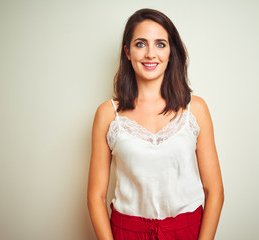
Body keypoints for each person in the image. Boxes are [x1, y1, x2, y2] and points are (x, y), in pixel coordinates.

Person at [87, 8, 224, 240]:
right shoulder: (108, 114)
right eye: (141, 44)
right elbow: (96, 197)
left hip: (187, 232)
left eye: (160, 44)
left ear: (171, 52)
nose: (151, 54)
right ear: (127, 52)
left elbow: (215, 191)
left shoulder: (196, 109)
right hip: (126, 232)